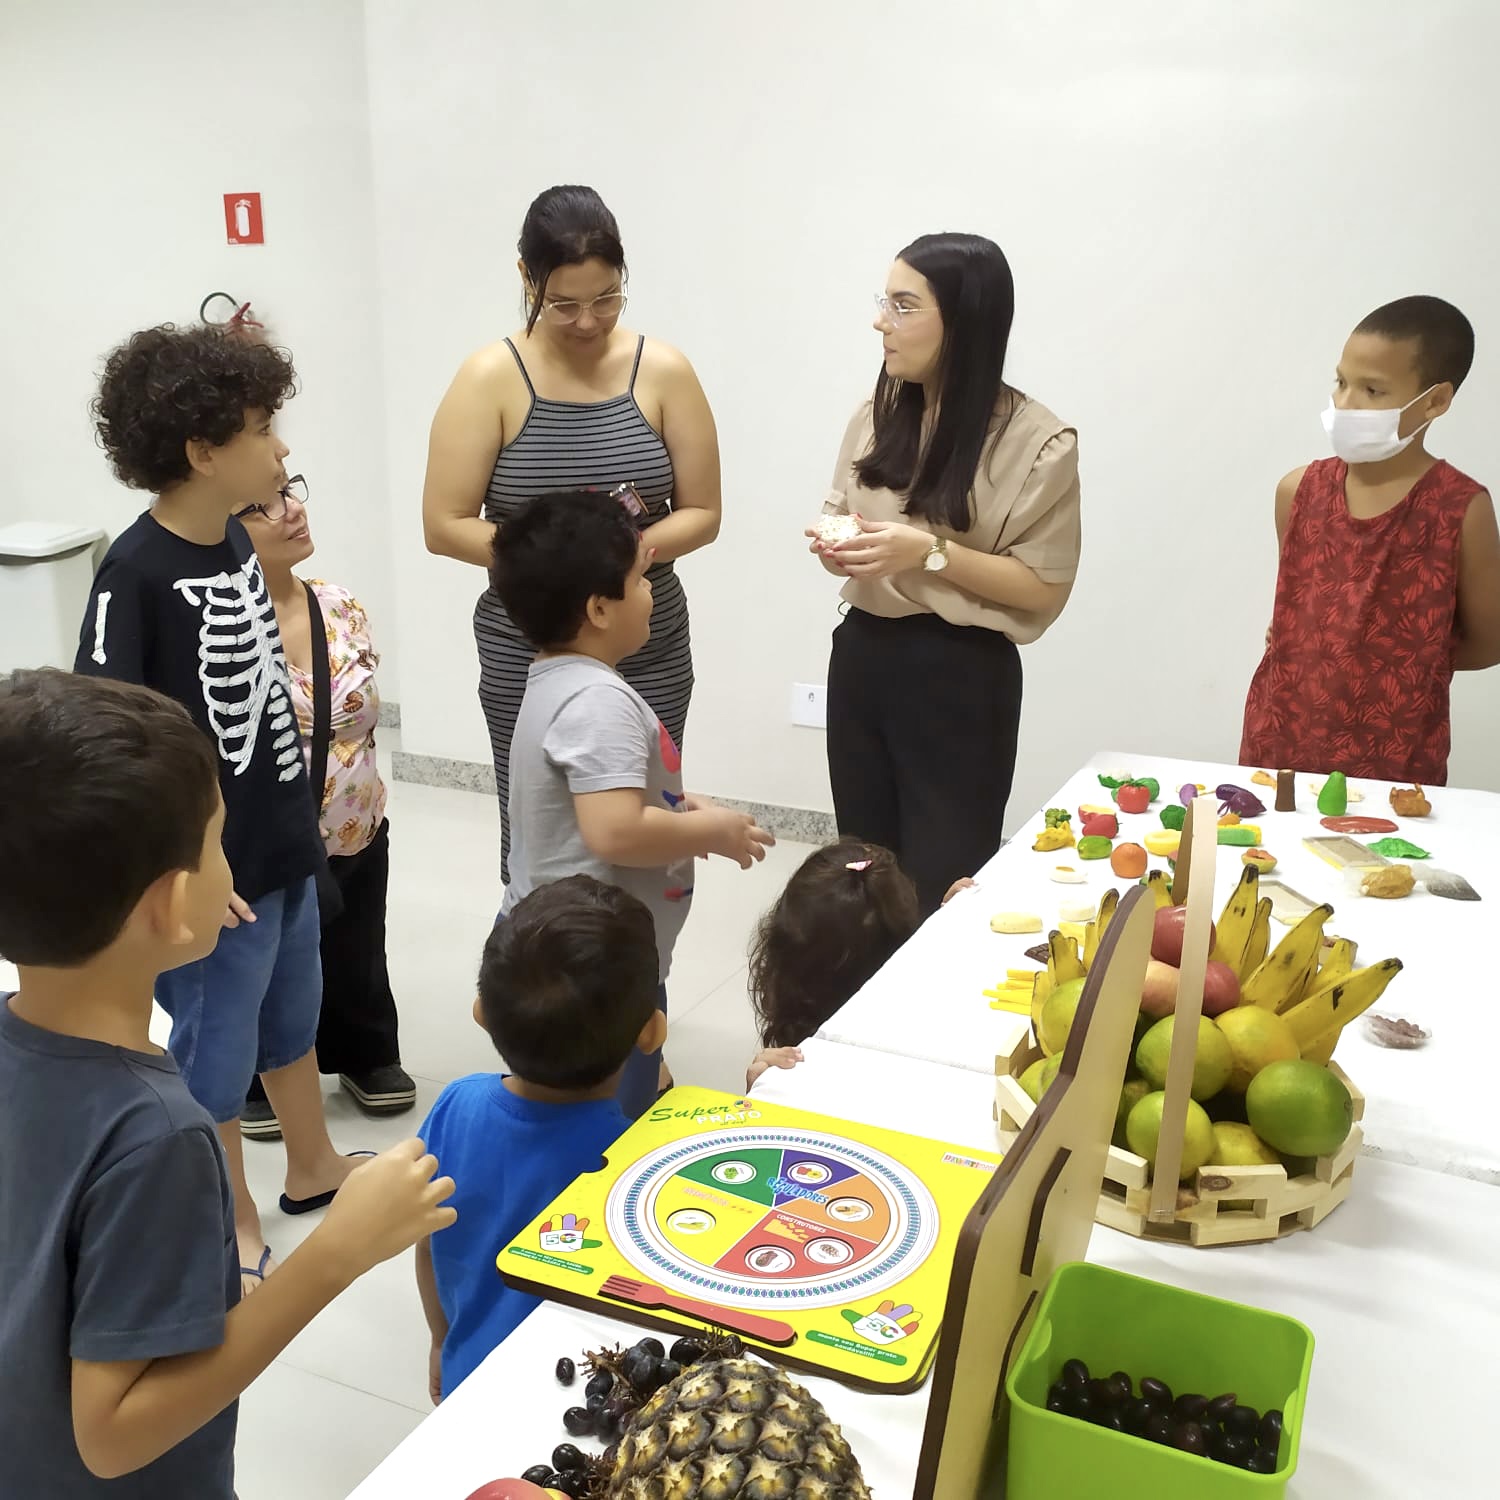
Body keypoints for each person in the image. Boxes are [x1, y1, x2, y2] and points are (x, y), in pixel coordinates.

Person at [0, 668, 455, 1498]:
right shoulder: (157, 1136)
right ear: (173, 904)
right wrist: (336, 1253)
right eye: (218, 843)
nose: (229, 865)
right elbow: (112, 1434)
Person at [74, 324, 364, 1293]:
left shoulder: (239, 539)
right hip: (212, 877)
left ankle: (314, 1165)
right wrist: (183, 864)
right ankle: (223, 1205)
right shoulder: (135, 575)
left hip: (280, 839)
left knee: (294, 1012)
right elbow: (110, 734)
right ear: (203, 451)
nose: (281, 449)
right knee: (217, 1041)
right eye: (261, 428)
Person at [422, 184, 722, 884]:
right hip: (529, 645)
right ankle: (537, 967)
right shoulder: (490, 378)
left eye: (607, 298)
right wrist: (560, 565)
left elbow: (702, 511)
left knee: (647, 816)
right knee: (543, 832)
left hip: (645, 635)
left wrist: (626, 555)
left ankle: (642, 969)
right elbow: (444, 525)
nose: (588, 321)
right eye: (564, 304)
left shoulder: (664, 371)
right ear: (526, 278)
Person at [809, 233, 1082, 917]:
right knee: (863, 872)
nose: (881, 321)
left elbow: (1042, 590)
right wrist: (834, 542)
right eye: (885, 302)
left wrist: (927, 554)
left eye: (903, 306)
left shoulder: (1038, 442)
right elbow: (838, 508)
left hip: (960, 674)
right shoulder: (879, 411)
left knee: (942, 880)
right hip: (865, 655)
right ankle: (859, 1013)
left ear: (962, 323)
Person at [489, 490, 773, 1117]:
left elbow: (599, 796)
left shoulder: (555, 679)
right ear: (598, 608)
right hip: (592, 962)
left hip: (563, 941)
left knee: (582, 1099)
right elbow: (613, 830)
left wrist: (680, 805)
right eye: (642, 579)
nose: (652, 593)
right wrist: (712, 831)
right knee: (604, 1114)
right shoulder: (599, 701)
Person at [414, 875, 662, 1403]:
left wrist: (442, 1339)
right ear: (652, 1032)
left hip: (467, 1374)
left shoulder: (454, 1105)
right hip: (571, 1408)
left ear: (481, 1014)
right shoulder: (631, 1164)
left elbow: (426, 1243)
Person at [1241, 295, 1500, 783]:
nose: (1345, 403)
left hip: (1396, 766)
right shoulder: (1297, 492)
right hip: (1279, 751)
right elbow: (1302, 605)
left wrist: (1395, 660)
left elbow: (1488, 642)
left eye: (1374, 391)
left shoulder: (1461, 510)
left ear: (1436, 401)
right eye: (1341, 382)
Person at [235, 472, 416, 1137]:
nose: (291, 511)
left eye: (289, 492)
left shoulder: (338, 604)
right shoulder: (227, 625)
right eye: (263, 506)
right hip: (279, 839)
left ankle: (366, 1055)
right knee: (275, 958)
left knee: (359, 945)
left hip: (358, 821)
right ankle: (260, 1071)